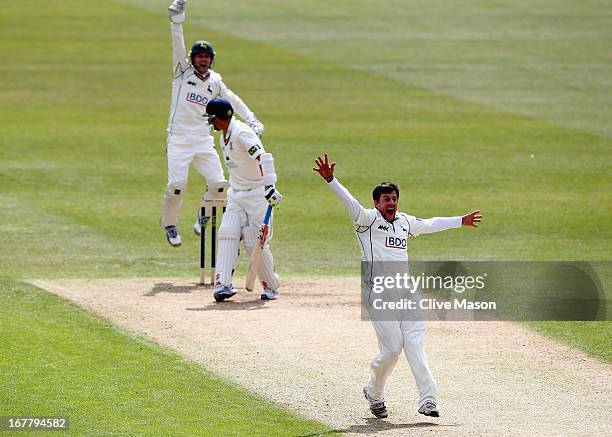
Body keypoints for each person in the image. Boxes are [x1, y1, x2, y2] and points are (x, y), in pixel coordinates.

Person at [313, 153, 482, 419]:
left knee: (414, 345)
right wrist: (331, 180)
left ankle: (428, 400)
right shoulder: (366, 220)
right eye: (386, 199)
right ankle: (374, 392)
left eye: (394, 199)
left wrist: (460, 220)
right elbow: (349, 201)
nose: (391, 203)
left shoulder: (404, 222)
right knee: (392, 349)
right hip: (377, 292)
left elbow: (430, 224)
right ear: (376, 203)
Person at [162, 0, 265, 247]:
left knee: (219, 185)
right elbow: (177, 44)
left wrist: (251, 119)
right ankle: (170, 225)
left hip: (202, 139)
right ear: (192, 58)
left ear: (212, 59)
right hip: (178, 138)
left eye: (207, 57)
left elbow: (233, 100)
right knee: (177, 186)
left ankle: (203, 218)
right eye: (199, 56)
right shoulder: (181, 72)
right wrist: (177, 19)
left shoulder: (215, 81)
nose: (203, 60)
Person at [205, 98, 282, 302]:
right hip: (236, 194)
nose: (210, 122)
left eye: (212, 118)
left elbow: (263, 157)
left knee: (254, 242)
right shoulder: (224, 136)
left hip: (258, 195)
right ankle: (223, 285)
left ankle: (271, 285)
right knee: (227, 232)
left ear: (221, 117)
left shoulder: (242, 133)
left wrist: (270, 186)